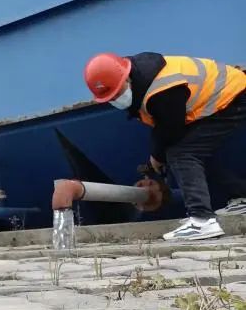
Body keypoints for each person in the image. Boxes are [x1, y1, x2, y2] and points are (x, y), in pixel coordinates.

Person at [84, 52, 246, 240]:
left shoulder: (161, 89)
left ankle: (202, 221)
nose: (116, 99)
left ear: (127, 78)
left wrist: (157, 156)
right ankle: (241, 198)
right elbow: (165, 125)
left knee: (182, 154)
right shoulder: (139, 77)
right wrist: (157, 155)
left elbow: (171, 128)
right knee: (194, 153)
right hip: (224, 95)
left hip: (232, 95)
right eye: (111, 98)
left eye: (118, 93)